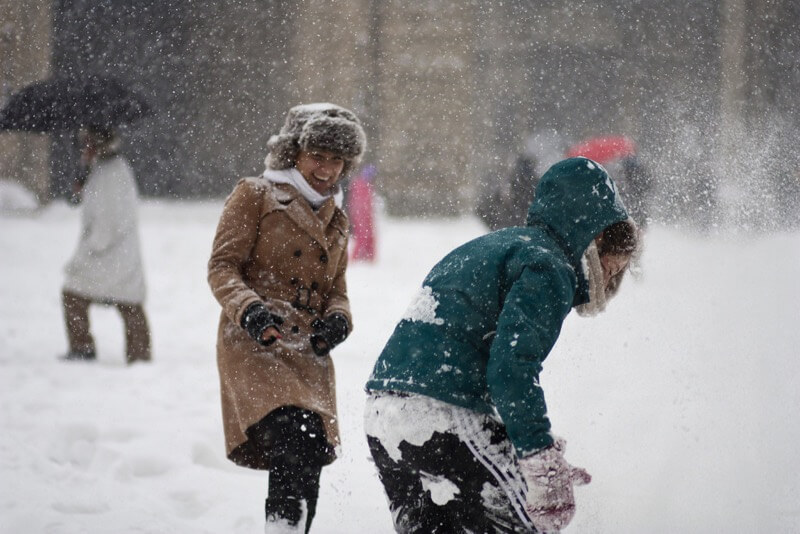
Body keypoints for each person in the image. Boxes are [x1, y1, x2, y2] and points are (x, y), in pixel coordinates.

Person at [365, 157, 640, 533]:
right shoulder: (550, 266)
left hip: (383, 415)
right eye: (611, 268)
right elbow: (511, 369)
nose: (609, 282)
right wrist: (538, 455)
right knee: (528, 525)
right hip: (444, 414)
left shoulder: (501, 245)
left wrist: (517, 436)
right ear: (593, 237)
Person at [207, 103, 366, 533]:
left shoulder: (338, 219)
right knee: (294, 438)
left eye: (337, 160)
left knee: (310, 451)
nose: (327, 169)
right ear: (294, 151)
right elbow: (222, 267)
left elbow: (337, 290)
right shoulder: (255, 194)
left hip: (310, 351)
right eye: (318, 155)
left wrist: (338, 319)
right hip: (256, 341)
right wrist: (251, 311)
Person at [60, 125, 151, 364]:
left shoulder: (112, 173)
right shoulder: (103, 170)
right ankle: (138, 355)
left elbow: (107, 224)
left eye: (88, 142)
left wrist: (90, 249)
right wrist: (82, 178)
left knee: (74, 294)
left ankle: (84, 348)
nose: (84, 148)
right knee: (128, 303)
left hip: (110, 253)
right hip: (116, 254)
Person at [476, 152, 540, 231]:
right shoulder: (535, 183)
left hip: (508, 226)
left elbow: (487, 209)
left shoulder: (511, 181)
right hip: (524, 225)